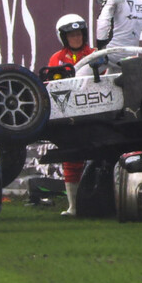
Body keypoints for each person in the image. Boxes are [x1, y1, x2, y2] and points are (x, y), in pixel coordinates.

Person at [47, 14, 96, 216]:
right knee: (71, 159)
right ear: (63, 37)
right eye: (71, 35)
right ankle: (74, 207)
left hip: (94, 111)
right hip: (69, 114)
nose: (76, 38)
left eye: (79, 34)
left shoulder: (96, 54)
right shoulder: (56, 58)